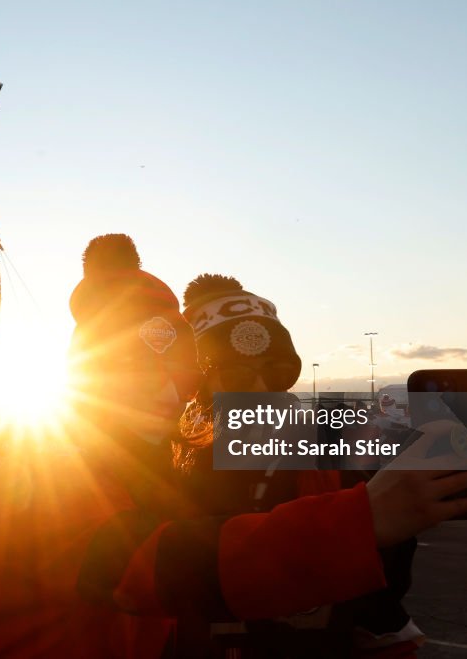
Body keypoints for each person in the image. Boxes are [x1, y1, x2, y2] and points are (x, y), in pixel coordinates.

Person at [0, 234, 467, 658]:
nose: (257, 393)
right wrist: (360, 521)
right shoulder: (63, 466)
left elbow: (379, 618)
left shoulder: (321, 461)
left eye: (274, 373)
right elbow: (149, 567)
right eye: (230, 374)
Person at [177, 273, 422, 658]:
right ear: (202, 382)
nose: (261, 387)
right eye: (239, 374)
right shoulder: (167, 466)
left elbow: (380, 599)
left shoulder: (328, 454)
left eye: (276, 371)